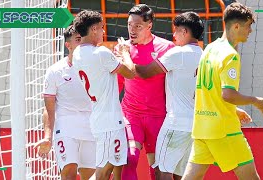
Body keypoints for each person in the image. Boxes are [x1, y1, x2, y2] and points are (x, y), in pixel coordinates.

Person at [183, 2, 263, 180]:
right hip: (224, 131)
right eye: (248, 26)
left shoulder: (209, 49)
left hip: (202, 128)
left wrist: (234, 110)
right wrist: (255, 100)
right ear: (236, 26)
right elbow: (227, 94)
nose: (250, 31)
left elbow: (206, 90)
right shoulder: (230, 55)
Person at [133, 12, 204, 180]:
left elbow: (144, 72)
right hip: (195, 125)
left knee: (162, 172)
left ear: (185, 32)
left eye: (176, 31)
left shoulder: (178, 54)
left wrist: (125, 58)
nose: (173, 35)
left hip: (176, 123)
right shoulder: (205, 55)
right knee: (181, 175)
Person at [72, 10, 135, 180]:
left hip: (102, 116)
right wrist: (124, 53)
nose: (103, 32)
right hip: (109, 120)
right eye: (101, 28)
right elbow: (130, 72)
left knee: (115, 166)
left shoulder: (77, 53)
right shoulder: (100, 53)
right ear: (93, 29)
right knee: (105, 170)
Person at [116, 4, 175, 180]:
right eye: (129, 25)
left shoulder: (167, 48)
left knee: (159, 169)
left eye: (137, 26)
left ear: (149, 26)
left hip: (159, 116)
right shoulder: (121, 49)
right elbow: (117, 84)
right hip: (131, 114)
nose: (131, 30)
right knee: (130, 158)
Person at [35, 25, 96, 180]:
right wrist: (47, 137)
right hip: (66, 127)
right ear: (68, 45)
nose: (82, 43)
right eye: (77, 40)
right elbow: (49, 108)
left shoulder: (97, 67)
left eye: (83, 39)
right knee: (68, 172)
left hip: (92, 127)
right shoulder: (55, 71)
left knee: (89, 175)